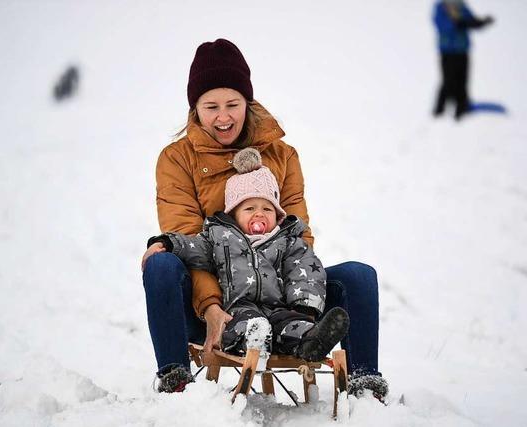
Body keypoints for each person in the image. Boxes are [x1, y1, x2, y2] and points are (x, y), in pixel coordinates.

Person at [141, 38, 387, 399]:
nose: (223, 117)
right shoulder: (177, 159)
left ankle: (365, 386)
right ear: (195, 108)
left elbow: (298, 235)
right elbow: (189, 240)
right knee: (161, 264)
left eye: (232, 104)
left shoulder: (282, 155)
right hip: (215, 300)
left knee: (359, 276)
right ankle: (175, 380)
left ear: (248, 102)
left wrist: (298, 303)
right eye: (211, 106)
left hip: (280, 296)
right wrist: (211, 307)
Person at [146, 147, 350, 373]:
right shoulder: (221, 238)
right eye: (250, 208)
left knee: (294, 325)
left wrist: (305, 308)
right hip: (238, 308)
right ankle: (254, 342)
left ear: (278, 214)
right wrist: (167, 243)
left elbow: (305, 272)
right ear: (234, 213)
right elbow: (194, 247)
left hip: (279, 308)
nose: (259, 214)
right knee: (247, 325)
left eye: (267, 208)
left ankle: (312, 340)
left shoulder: (288, 240)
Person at [432, 0, 494, 120]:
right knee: (448, 81)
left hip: (462, 50)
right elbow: (441, 24)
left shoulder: (461, 6)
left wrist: (482, 22)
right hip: (447, 52)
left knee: (462, 80)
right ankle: (439, 111)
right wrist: (457, 23)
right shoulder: (441, 7)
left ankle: (462, 108)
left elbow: (471, 21)